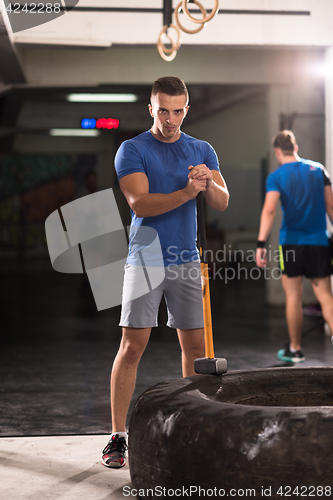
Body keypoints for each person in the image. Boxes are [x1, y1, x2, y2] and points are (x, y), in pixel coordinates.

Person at [102, 76, 229, 468]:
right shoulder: (133, 149)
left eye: (177, 111)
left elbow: (223, 202)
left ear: (186, 110)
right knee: (132, 345)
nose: (170, 118)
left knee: (195, 350)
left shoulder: (202, 149)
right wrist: (188, 192)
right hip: (145, 259)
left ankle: (194, 426)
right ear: (151, 109)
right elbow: (140, 203)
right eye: (163, 110)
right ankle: (118, 437)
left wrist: (208, 184)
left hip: (186, 260)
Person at [256, 130, 333, 363]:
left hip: (291, 243)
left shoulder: (277, 176)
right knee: (325, 296)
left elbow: (269, 210)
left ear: (278, 152)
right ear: (295, 148)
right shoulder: (319, 170)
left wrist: (261, 243)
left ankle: (295, 349)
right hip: (319, 241)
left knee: (293, 296)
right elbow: (331, 208)